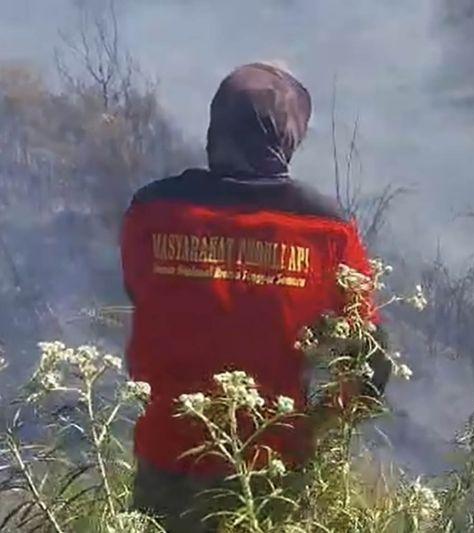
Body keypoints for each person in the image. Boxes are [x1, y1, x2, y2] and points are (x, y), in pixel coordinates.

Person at [120, 62, 390, 532]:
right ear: (286, 139)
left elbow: (140, 291)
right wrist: (320, 425)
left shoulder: (152, 211)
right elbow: (371, 359)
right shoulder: (327, 230)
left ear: (215, 130)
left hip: (166, 460)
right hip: (270, 470)